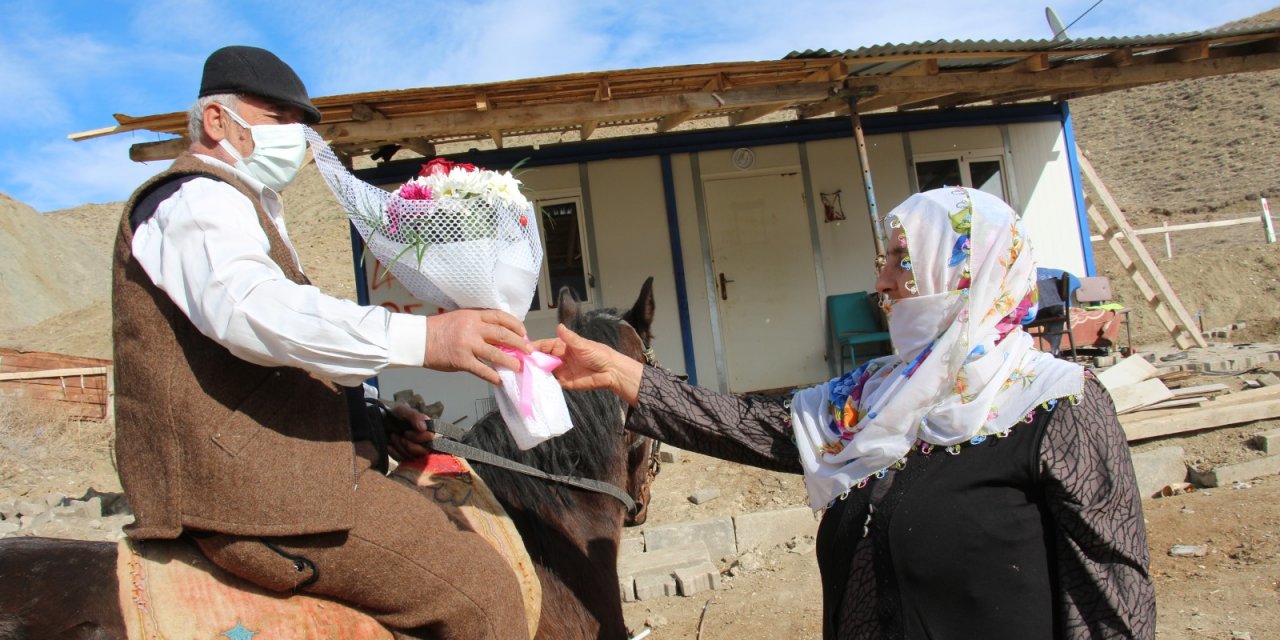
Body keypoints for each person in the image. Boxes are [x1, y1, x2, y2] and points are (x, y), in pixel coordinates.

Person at [539, 186, 1155, 639]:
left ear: (965, 271)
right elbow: (754, 427)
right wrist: (620, 373)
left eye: (900, 261)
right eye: (883, 262)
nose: (881, 285)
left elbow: (1112, 605)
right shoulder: (875, 395)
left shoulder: (1057, 405)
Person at [112, 45, 530, 640]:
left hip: (282, 478)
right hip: (254, 497)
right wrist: (425, 335)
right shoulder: (195, 201)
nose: (295, 137)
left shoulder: (245, 206)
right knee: (484, 597)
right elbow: (258, 315)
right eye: (278, 119)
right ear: (216, 120)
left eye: (301, 126)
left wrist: (371, 419)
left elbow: (274, 366)